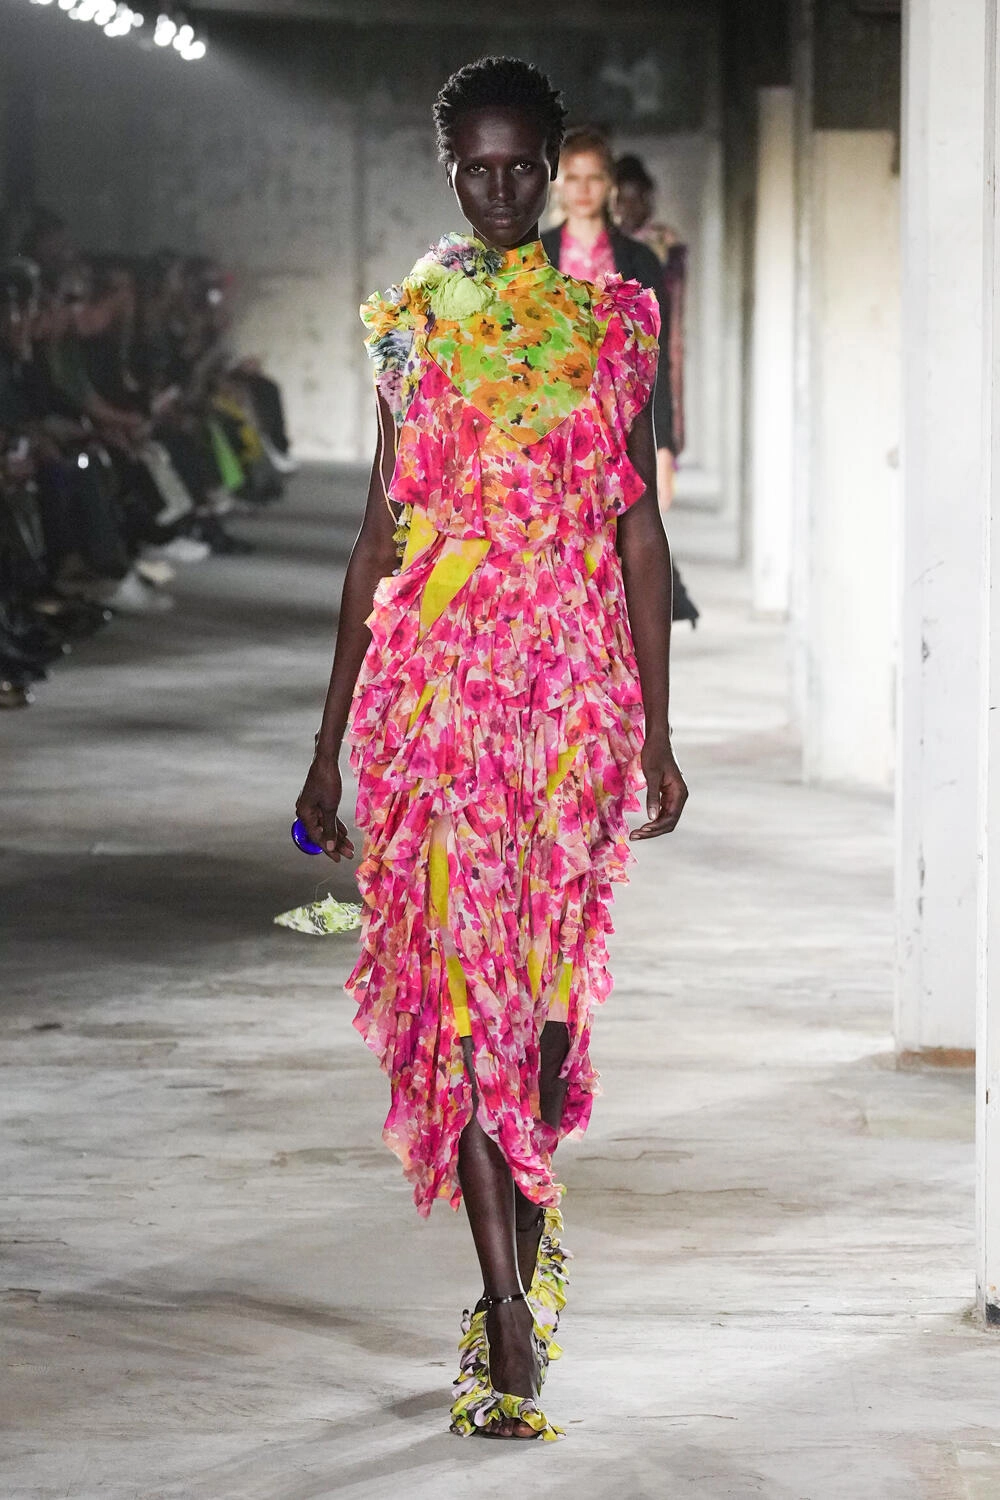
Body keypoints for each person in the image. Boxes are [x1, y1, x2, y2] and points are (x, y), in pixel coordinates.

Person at [295, 55, 688, 1441]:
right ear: (449, 167)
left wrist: (659, 729)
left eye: (526, 165)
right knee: (461, 994)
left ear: (558, 165)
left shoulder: (613, 324)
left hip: (571, 697)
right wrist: (327, 745)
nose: (504, 189)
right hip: (436, 696)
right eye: (480, 167)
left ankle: (527, 1219)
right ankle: (502, 1305)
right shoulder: (409, 327)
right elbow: (377, 536)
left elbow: (638, 530)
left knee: (547, 1003)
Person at [542, 129, 698, 627]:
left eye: (594, 177)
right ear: (557, 183)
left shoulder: (639, 260)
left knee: (622, 551)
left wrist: (665, 445)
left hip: (622, 428)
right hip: (550, 430)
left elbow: (658, 359)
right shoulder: (533, 255)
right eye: (573, 177)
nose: (583, 189)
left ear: (609, 183)